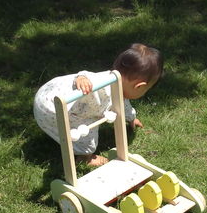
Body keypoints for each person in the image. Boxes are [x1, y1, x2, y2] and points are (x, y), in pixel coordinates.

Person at [33, 43, 163, 166]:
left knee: (88, 115)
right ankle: (85, 158)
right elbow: (86, 76)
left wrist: (131, 118)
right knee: (87, 131)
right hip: (51, 109)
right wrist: (81, 78)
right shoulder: (99, 86)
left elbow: (123, 105)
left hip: (48, 91)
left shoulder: (116, 82)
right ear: (139, 86)